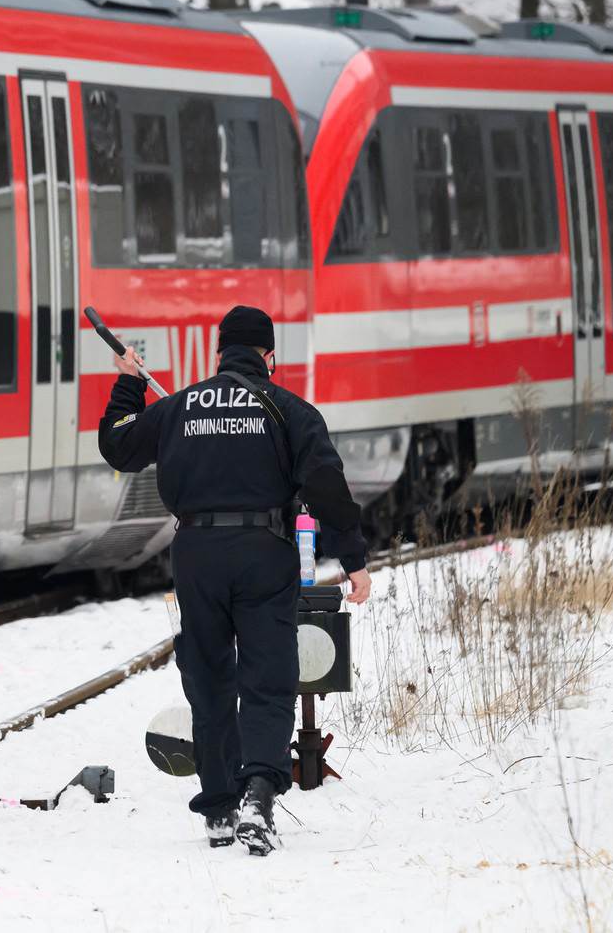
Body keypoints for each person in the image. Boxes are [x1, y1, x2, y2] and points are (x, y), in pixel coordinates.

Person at [97, 305, 372, 856]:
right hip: (264, 553)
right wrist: (352, 558)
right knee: (268, 678)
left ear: (219, 353)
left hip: (196, 555)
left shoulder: (181, 406)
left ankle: (220, 806)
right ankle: (259, 796)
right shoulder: (289, 409)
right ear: (268, 357)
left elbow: (118, 446)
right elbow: (325, 483)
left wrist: (130, 385)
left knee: (208, 677)